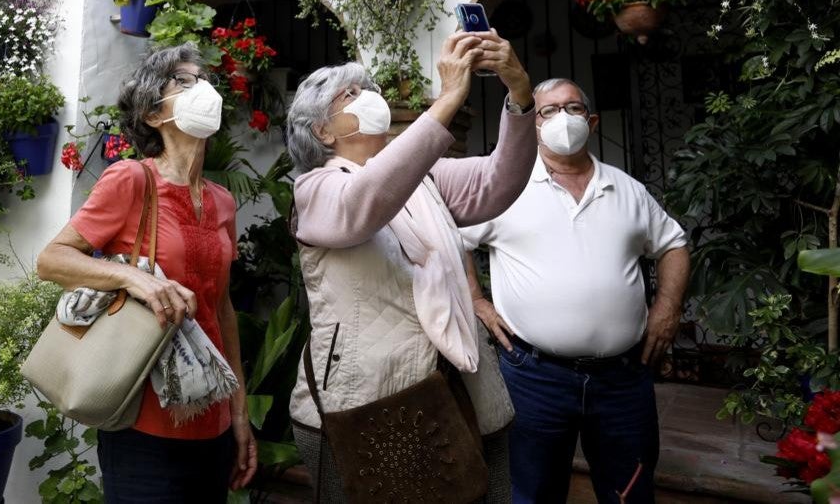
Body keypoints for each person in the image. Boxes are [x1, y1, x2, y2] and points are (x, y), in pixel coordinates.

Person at [284, 30, 537, 503]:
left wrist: (519, 92)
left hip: (462, 389)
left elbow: (499, 180)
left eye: (370, 88)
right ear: (322, 131)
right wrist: (447, 99)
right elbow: (366, 202)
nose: (371, 98)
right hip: (370, 405)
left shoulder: (423, 179)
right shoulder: (316, 190)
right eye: (351, 94)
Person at [36, 44, 256, 502]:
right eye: (185, 81)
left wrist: (239, 411)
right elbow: (52, 260)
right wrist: (135, 278)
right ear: (154, 114)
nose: (204, 89)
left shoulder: (222, 201)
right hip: (144, 425)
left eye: (205, 80)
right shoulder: (132, 179)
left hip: (212, 422)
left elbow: (223, 309)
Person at [459, 77, 690, 504]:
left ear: (593, 121)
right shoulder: (505, 189)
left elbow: (673, 243)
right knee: (532, 493)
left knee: (630, 493)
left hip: (622, 378)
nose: (562, 118)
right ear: (532, 125)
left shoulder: (628, 190)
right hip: (534, 377)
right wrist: (476, 301)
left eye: (573, 108)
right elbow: (455, 243)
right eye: (547, 110)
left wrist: (667, 307)